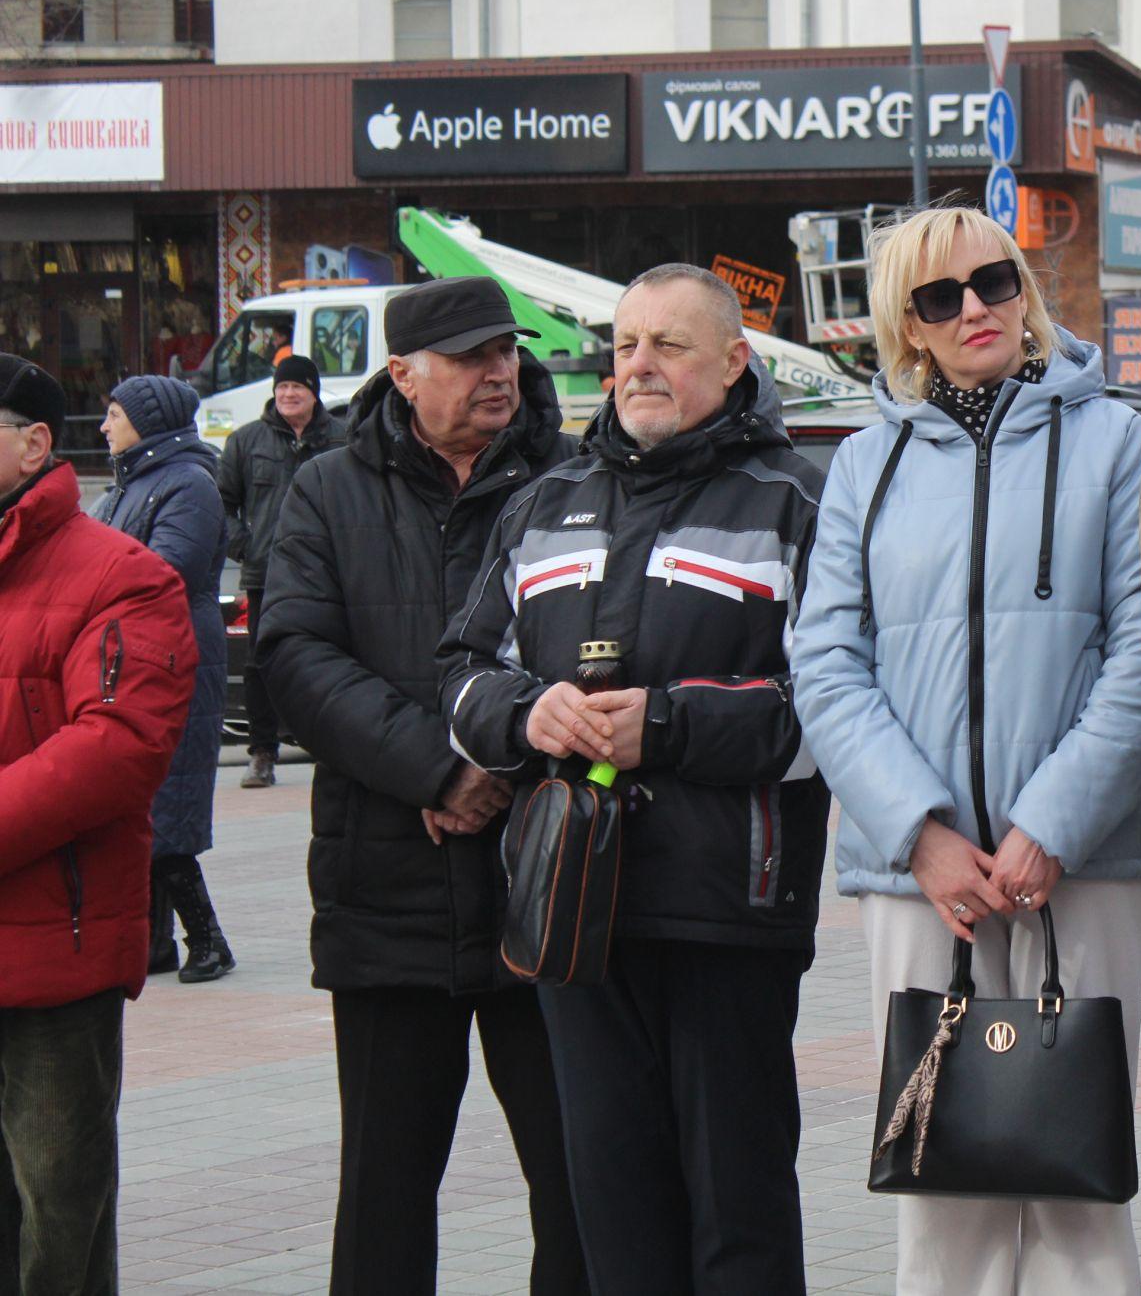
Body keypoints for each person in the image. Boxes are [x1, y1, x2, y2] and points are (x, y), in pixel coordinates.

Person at [791, 206, 1141, 1296]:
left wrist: (1050, 824)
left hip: (1089, 864)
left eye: (993, 281)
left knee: (1074, 1183)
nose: (974, 309)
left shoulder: (1121, 441)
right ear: (904, 325)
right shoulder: (863, 467)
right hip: (924, 880)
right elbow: (823, 662)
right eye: (937, 296)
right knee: (940, 1189)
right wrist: (919, 835)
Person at [441, 265, 828, 1295]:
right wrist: (527, 713)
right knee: (612, 1211)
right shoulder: (542, 503)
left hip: (727, 914)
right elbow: (459, 674)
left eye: (670, 345)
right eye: (625, 346)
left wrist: (666, 723)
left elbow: (834, 709)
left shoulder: (797, 500)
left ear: (736, 362)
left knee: (735, 1212)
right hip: (577, 916)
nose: (640, 366)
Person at [257, 277, 586, 1296]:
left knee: (576, 1186)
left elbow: (603, 659)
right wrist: (435, 770)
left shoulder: (571, 480)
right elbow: (297, 655)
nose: (500, 372)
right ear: (401, 373)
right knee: (386, 1191)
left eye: (506, 353)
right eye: (471, 356)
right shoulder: (326, 489)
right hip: (386, 889)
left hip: (548, 886)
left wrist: (494, 767)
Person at [0, 354, 195, 1295]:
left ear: (36, 443)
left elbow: (116, 747)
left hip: (52, 956)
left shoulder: (124, 575)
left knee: (56, 1223)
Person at [92, 375, 234, 984]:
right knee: (142, 798)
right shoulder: (128, 486)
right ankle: (155, 943)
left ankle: (206, 940)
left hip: (177, 657)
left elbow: (164, 568)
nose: (104, 427)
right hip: (135, 654)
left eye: (115, 415)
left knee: (167, 802)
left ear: (148, 423)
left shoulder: (189, 484)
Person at [216, 354, 344, 788]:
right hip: (266, 573)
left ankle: (331, 747)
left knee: (330, 659)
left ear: (314, 392)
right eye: (282, 388)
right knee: (260, 664)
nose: (289, 395)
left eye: (298, 388)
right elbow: (223, 504)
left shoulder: (341, 439)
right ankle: (262, 753)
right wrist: (246, 546)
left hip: (327, 572)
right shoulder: (246, 441)